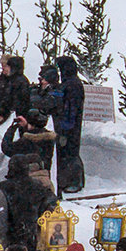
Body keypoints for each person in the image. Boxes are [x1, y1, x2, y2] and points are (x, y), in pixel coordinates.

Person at [54, 56, 85, 194]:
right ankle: (71, 180)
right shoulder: (71, 83)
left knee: (70, 153)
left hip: (70, 125)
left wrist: (66, 127)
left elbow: (71, 108)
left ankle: (74, 181)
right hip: (69, 124)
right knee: (69, 153)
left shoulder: (72, 85)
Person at [0, 54, 31, 125]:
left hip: (15, 116)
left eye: (5, 66)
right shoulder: (2, 79)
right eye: (2, 66)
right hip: (1, 115)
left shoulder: (21, 81)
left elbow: (19, 101)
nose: (3, 68)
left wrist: (4, 111)